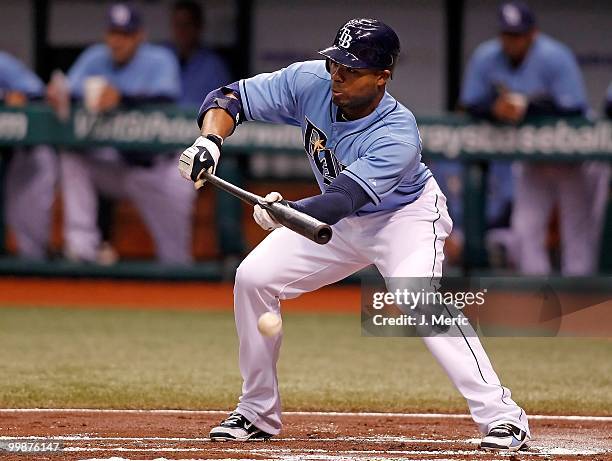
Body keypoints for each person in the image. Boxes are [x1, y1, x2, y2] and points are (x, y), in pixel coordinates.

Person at [179, 18, 530, 451]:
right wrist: (211, 141)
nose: (337, 75)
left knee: (414, 296)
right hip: (340, 218)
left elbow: (343, 199)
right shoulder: (311, 80)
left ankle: (503, 417)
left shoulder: (398, 134)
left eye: (352, 69)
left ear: (383, 78)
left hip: (405, 218)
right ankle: (256, 412)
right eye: (336, 63)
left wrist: (286, 212)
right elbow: (228, 98)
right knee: (253, 279)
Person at [461, 1, 604, 275]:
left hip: (570, 154)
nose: (511, 42)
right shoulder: (486, 56)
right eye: (507, 34)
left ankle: (581, 303)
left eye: (518, 35)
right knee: (525, 229)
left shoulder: (555, 55)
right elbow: (469, 103)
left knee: (576, 231)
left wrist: (525, 106)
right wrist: (493, 107)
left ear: (532, 33)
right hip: (531, 157)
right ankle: (534, 300)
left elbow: (573, 107)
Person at [48, 3, 194, 264]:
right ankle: (81, 249)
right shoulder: (95, 57)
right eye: (113, 33)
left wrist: (122, 98)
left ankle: (178, 282)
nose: (117, 42)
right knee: (73, 158)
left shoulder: (159, 59)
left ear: (139, 36)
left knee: (176, 258)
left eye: (125, 35)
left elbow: (164, 98)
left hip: (157, 169)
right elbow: (67, 89)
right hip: (114, 165)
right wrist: (58, 94)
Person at [0, 51, 57, 260]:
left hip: (22, 153)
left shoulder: (3, 64)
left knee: (27, 222)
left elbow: (39, 94)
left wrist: (18, 99)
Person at [168, 0, 231, 107]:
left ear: (199, 27)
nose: (181, 31)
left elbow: (224, 105)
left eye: (186, 25)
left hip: (198, 122)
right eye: (177, 25)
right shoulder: (164, 58)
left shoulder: (214, 66)